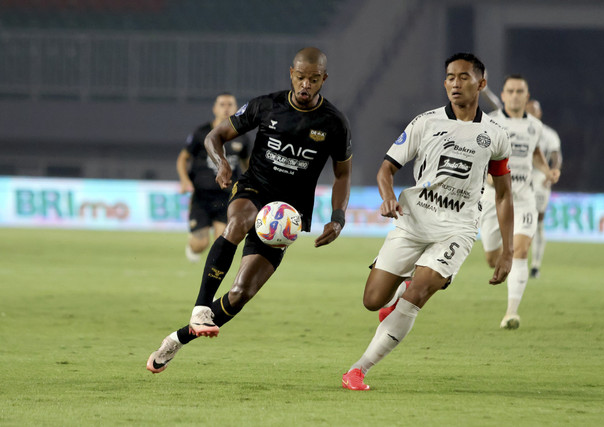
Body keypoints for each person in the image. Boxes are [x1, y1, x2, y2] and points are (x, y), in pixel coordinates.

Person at [147, 47, 352, 374]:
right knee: (239, 221)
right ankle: (201, 308)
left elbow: (343, 174)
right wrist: (222, 163)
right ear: (291, 74)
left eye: (313, 80)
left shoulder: (334, 124)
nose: (305, 85)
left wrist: (338, 218)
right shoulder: (266, 105)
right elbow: (215, 136)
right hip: (255, 189)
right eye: (300, 77)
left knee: (242, 293)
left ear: (323, 79)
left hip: (287, 213)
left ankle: (178, 339)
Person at [341, 52, 514, 391]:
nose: (455, 83)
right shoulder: (425, 123)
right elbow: (386, 169)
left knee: (418, 293)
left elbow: (504, 194)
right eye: (450, 76)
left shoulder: (495, 133)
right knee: (373, 301)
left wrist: (508, 251)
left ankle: (358, 370)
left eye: (464, 77)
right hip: (414, 221)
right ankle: (399, 291)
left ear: (481, 83)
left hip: (459, 227)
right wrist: (388, 196)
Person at [479, 75, 560, 330]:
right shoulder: (490, 122)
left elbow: (535, 152)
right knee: (494, 259)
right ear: (503, 95)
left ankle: (511, 313)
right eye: (510, 91)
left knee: (520, 250)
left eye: (520, 91)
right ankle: (502, 264)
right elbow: (478, 156)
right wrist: (488, 179)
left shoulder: (535, 126)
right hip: (494, 199)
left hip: (524, 198)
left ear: (526, 96)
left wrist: (547, 171)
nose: (515, 95)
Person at [176, 93, 251, 262]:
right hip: (201, 197)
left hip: (227, 197)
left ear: (236, 108)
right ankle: (194, 244)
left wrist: (251, 185)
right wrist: (184, 180)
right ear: (214, 108)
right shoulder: (202, 133)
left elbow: (247, 165)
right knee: (200, 244)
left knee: (221, 244)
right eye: (222, 104)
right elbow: (183, 158)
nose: (226, 108)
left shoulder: (243, 138)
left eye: (230, 104)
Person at [525, 99, 562, 278]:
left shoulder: (549, 134)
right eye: (529, 111)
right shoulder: (516, 129)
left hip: (539, 178)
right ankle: (515, 260)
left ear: (539, 114)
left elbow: (556, 157)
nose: (532, 113)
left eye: (535, 111)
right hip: (519, 176)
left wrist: (553, 172)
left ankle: (535, 266)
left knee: (538, 222)